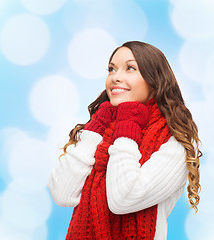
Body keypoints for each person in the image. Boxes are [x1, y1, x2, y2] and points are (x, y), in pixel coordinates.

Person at [48, 41, 202, 240]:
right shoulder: (98, 130)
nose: (116, 77)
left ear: (154, 82)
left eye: (130, 68)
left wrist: (127, 125)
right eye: (112, 69)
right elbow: (62, 193)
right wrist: (94, 129)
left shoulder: (174, 143)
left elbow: (124, 199)